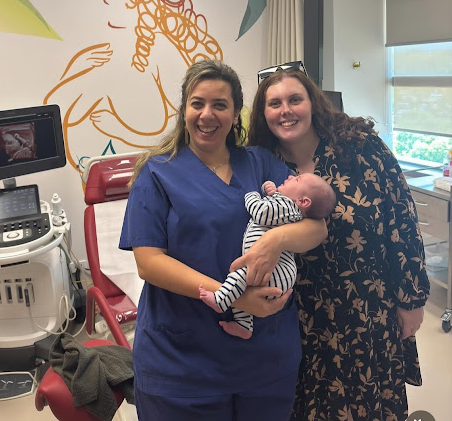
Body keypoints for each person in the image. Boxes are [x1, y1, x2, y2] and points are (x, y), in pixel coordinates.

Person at [119, 60, 328, 421]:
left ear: (235, 114)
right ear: (184, 110)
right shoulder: (157, 172)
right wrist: (234, 297)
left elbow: (317, 227)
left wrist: (275, 240)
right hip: (182, 362)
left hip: (265, 357)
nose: (207, 115)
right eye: (197, 103)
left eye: (220, 105)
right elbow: (149, 263)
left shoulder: (260, 163)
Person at [245, 66, 430, 421]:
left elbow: (402, 220)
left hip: (368, 313)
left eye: (295, 99)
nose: (286, 110)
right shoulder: (261, 165)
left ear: (312, 103)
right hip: (300, 322)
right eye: (275, 103)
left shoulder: (359, 148)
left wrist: (412, 299)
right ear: (263, 113)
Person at [199, 173, 336, 339]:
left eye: (297, 179)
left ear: (303, 202)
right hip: (278, 274)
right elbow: (272, 203)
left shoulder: (288, 207)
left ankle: (221, 300)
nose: (291, 176)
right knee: (242, 287)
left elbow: (261, 212)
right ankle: (244, 325)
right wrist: (268, 189)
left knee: (240, 275)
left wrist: (252, 196)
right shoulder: (284, 205)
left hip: (277, 271)